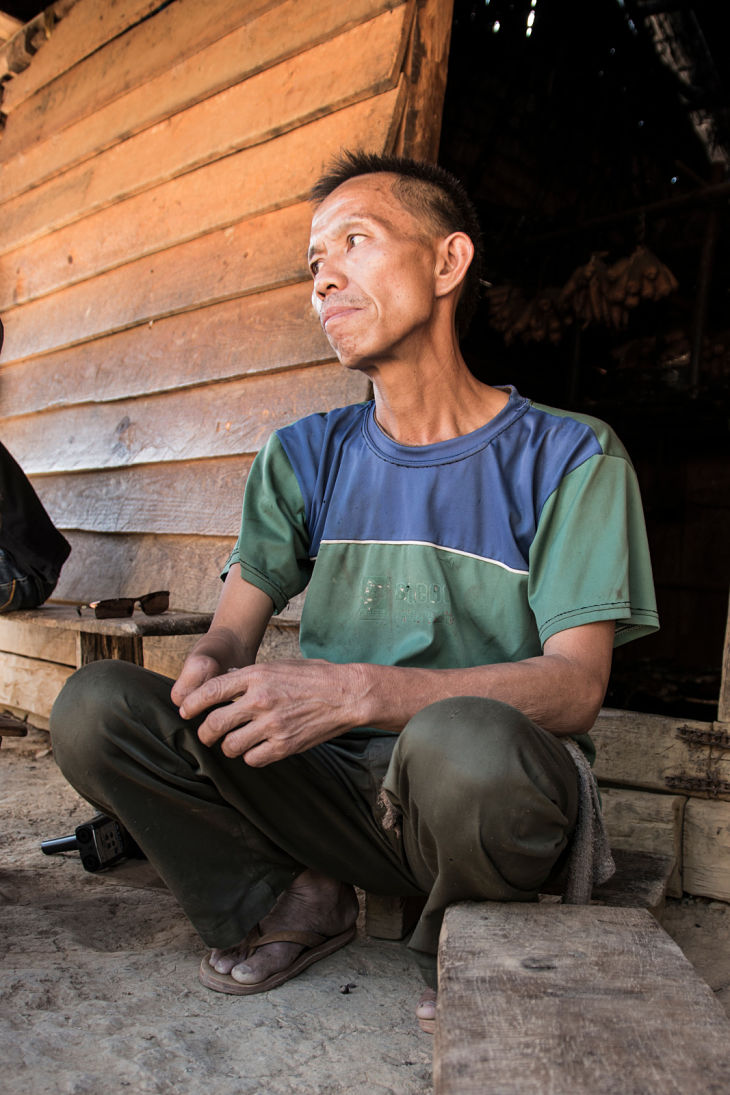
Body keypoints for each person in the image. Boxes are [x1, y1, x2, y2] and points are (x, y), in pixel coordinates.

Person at [50, 151, 659, 1033]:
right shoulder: (303, 455)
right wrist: (207, 673)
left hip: (471, 799)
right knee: (96, 706)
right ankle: (291, 897)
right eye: (313, 262)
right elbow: (231, 636)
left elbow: (576, 687)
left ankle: (466, 937)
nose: (323, 277)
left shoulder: (572, 456)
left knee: (466, 745)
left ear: (448, 263)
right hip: (324, 784)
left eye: (354, 242)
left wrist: (360, 690)